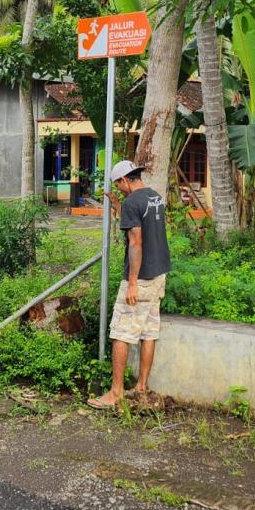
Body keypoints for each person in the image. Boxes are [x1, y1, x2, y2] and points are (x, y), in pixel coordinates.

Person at [87, 159, 171, 409]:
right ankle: (142, 386)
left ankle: (116, 392)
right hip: (159, 275)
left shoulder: (133, 202)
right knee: (148, 332)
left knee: (121, 333)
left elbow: (136, 242)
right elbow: (145, 222)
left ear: (125, 180)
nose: (119, 189)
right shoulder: (154, 196)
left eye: (118, 185)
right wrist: (119, 207)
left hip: (141, 278)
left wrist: (132, 283)